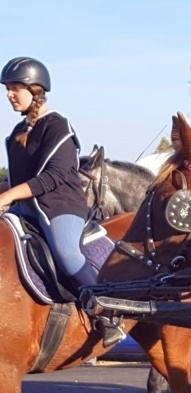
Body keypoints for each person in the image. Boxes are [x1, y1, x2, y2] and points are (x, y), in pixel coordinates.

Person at [0, 57, 95, 293]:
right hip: (23, 209)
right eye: (7, 89)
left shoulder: (58, 126)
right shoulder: (18, 132)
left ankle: (109, 312)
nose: (9, 95)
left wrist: (8, 196)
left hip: (59, 207)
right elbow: (16, 180)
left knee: (66, 254)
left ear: (35, 90)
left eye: (15, 88)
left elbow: (54, 177)